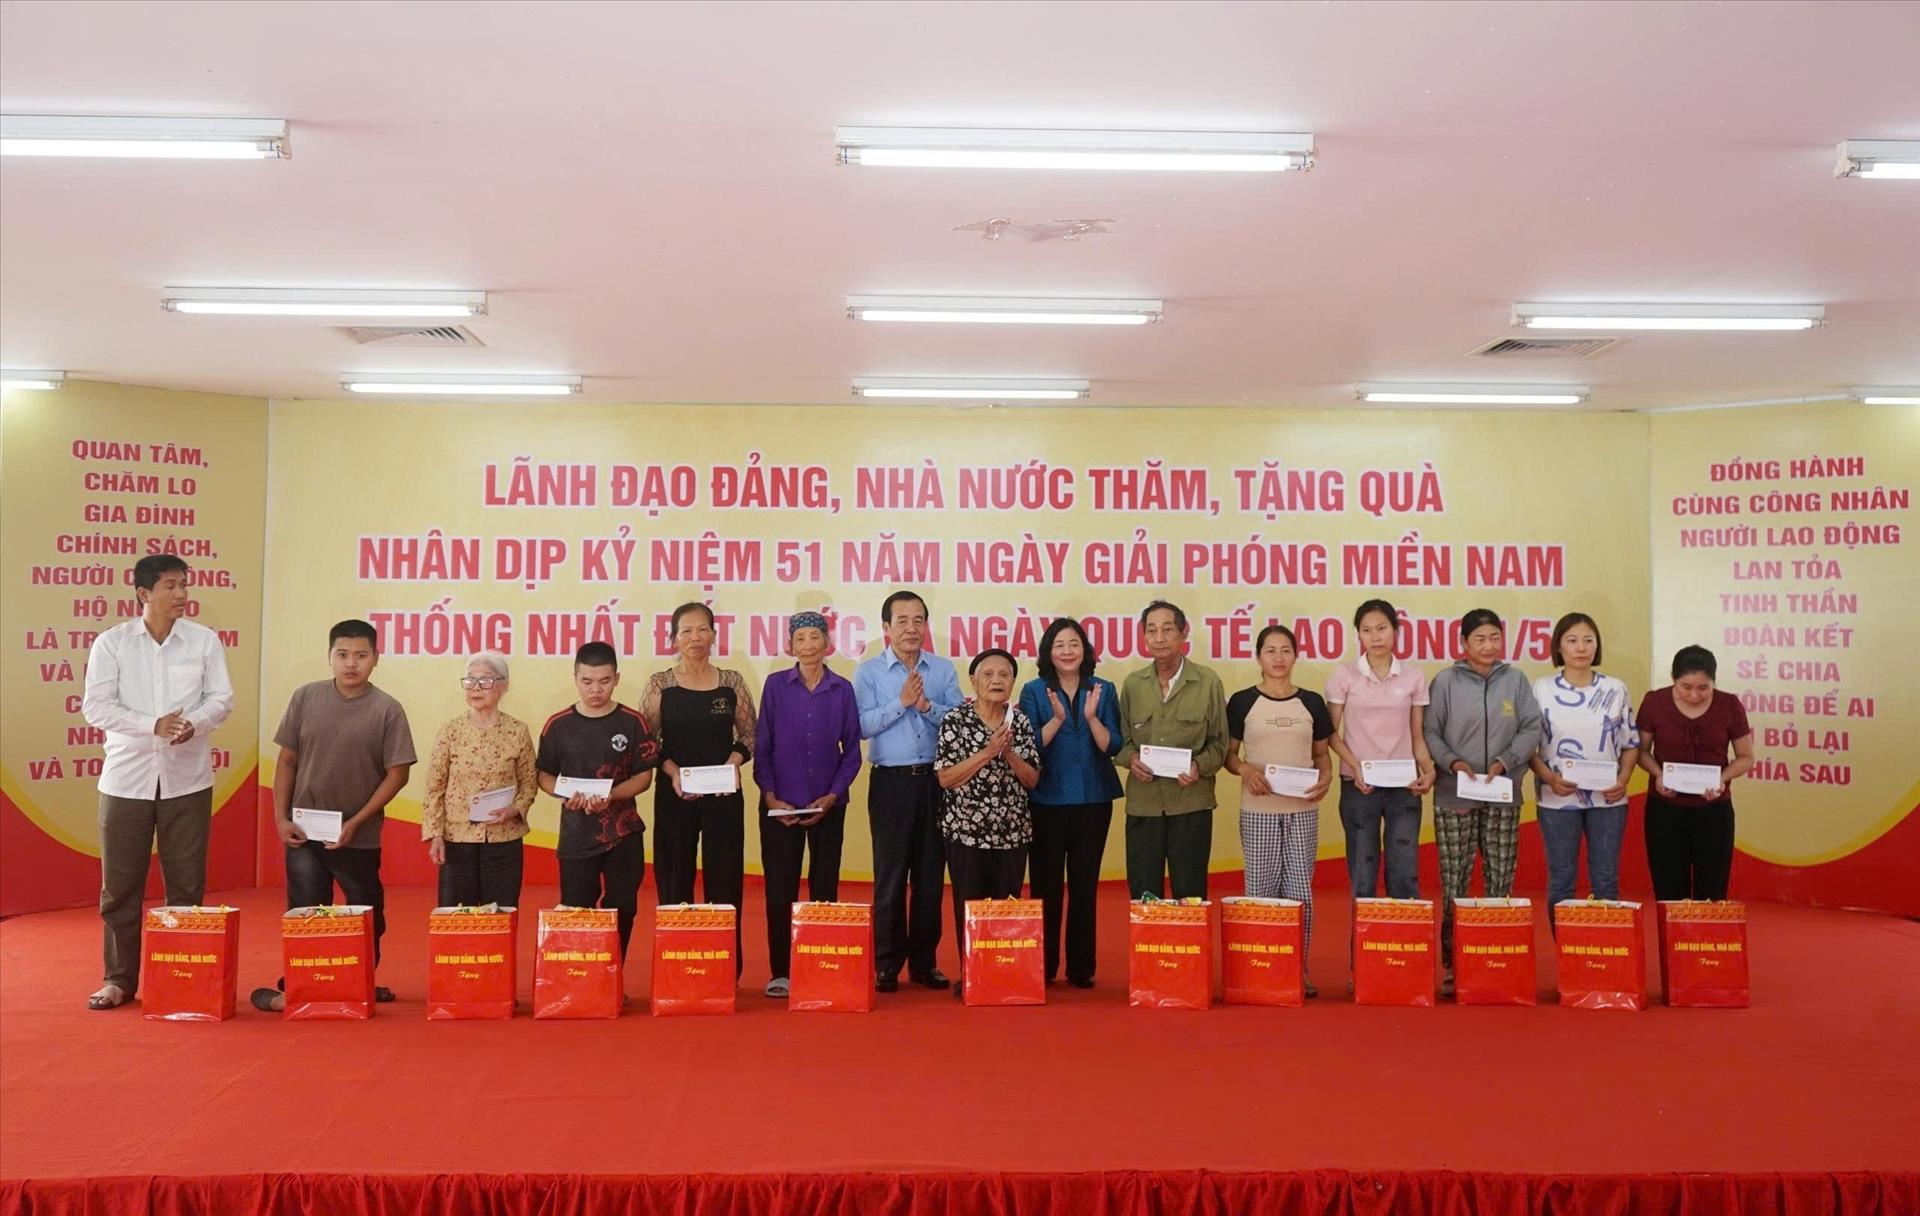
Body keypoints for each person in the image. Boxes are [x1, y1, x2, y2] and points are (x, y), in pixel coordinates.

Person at [81, 554, 236, 1011]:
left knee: (186, 886)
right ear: (144, 593)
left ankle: (183, 978)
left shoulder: (203, 641)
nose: (181, 594)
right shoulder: (112, 644)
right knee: (120, 887)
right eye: (170, 586)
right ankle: (118, 980)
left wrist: (195, 724)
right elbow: (96, 707)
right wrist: (153, 725)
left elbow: (221, 699)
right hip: (125, 781)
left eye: (184, 584)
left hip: (187, 780)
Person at [252, 619, 416, 1012]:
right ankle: (305, 983)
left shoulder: (387, 709)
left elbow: (398, 774)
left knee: (367, 911)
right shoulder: (305, 698)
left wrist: (356, 822)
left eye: (361, 655)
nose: (351, 663)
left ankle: (359, 982)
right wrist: (280, 818)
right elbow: (287, 760)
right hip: (304, 830)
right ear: (329, 657)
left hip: (358, 834)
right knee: (307, 910)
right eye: (342, 654)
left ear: (376, 658)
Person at [1423, 608, 1541, 997]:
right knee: (1454, 881)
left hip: (1502, 792)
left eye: (1494, 638)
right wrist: (1453, 763)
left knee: (1500, 879)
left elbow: (1531, 726)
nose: (1488, 646)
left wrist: (1505, 761)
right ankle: (1454, 965)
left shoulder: (1516, 680)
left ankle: (1494, 961)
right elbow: (1430, 731)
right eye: (1479, 639)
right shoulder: (1445, 681)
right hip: (1454, 793)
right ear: (1463, 643)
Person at [853, 589, 963, 992]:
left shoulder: (943, 670)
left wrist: (927, 708)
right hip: (891, 783)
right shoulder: (868, 673)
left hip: (936, 782)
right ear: (886, 627)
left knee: (931, 877)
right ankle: (886, 964)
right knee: (891, 876)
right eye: (902, 621)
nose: (911, 628)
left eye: (918, 620)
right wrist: (901, 702)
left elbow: (959, 721)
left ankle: (923, 962)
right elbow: (861, 726)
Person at [640, 602, 757, 977]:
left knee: (725, 879)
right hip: (675, 793)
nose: (695, 637)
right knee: (675, 878)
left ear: (714, 635)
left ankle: (723, 969)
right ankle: (677, 967)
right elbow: (646, 741)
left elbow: (751, 734)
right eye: (686, 631)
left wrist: (732, 764)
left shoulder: (731, 682)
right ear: (674, 638)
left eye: (702, 629)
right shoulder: (661, 684)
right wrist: (673, 772)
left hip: (723, 795)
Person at [753, 610, 861, 998]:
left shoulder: (842, 689)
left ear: (827, 644)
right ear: (790, 646)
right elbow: (762, 745)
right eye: (800, 639)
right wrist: (770, 796)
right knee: (780, 889)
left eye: (815, 637)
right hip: (780, 804)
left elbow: (852, 751)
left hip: (827, 804)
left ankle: (820, 964)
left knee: (824, 886)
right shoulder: (775, 686)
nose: (808, 645)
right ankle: (782, 971)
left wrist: (832, 796)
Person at [1224, 624, 1334, 997]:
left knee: (1300, 891)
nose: (1278, 658)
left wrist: (1326, 778)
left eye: (1285, 650)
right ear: (1259, 657)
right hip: (1259, 810)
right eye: (1270, 650)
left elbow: (1322, 755)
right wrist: (1247, 772)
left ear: (1295, 655)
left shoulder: (1312, 703)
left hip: (1302, 810)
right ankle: (1260, 968)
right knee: (1261, 890)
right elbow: (1229, 756)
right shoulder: (1242, 702)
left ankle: (1297, 970)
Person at [1017, 617, 1122, 988]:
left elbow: (1112, 745)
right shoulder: (1033, 691)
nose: (1067, 651)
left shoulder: (1104, 689)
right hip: (1046, 800)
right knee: (1045, 886)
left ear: (1085, 650)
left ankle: (1081, 967)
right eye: (1059, 645)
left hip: (1093, 800)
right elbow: (1028, 745)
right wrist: (1058, 720)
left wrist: (1091, 718)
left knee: (1084, 885)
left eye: (1074, 644)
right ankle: (1043, 966)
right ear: (1048, 652)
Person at [536, 641, 657, 960]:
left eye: (604, 681)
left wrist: (612, 795)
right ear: (575, 678)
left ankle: (613, 970)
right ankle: (583, 977)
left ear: (616, 678)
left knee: (624, 908)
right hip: (576, 835)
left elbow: (644, 777)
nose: (595, 690)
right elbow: (543, 774)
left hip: (623, 833)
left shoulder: (633, 722)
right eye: (587, 681)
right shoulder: (558, 725)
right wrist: (564, 793)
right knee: (577, 911)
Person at [936, 649, 1042, 999]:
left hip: (1012, 832)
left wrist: (1008, 753)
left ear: (1013, 682)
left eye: (1004, 674)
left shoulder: (1020, 722)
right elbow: (946, 778)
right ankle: (972, 974)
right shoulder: (955, 721)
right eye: (988, 674)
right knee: (969, 906)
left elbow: (1032, 780)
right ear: (974, 681)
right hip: (966, 831)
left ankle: (1002, 973)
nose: (996, 680)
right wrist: (986, 752)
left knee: (1005, 906)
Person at [1528, 614, 1639, 929]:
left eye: (1588, 640)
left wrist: (1623, 780)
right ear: (1558, 647)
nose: (1581, 648)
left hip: (1608, 799)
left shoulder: (1615, 689)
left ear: (1597, 645)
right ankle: (1567, 949)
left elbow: (1631, 743)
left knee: (1605, 878)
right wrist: (1549, 778)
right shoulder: (1541, 689)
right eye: (1572, 640)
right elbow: (1527, 748)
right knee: (1562, 878)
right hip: (1556, 799)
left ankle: (1605, 947)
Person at [1325, 599, 1435, 914]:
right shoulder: (1344, 675)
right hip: (1359, 785)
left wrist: (1428, 770)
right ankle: (1366, 945)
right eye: (1367, 630)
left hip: (1404, 786)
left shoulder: (1413, 677)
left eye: (1382, 628)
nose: (1375, 637)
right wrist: (1355, 767)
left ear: (1395, 631)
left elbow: (1417, 735)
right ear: (1359, 634)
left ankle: (1405, 942)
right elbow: (1331, 733)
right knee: (1363, 875)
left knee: (1404, 872)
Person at [1113, 600, 1227, 901]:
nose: (1159, 638)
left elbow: (1219, 744)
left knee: (1190, 896)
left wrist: (1198, 766)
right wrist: (1131, 759)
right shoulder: (1134, 685)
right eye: (1151, 630)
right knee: (1144, 896)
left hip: (1191, 804)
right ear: (1144, 637)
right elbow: (1121, 742)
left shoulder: (1207, 682)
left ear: (1183, 633)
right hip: (1144, 805)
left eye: (1167, 629)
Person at [1635, 646, 1755, 901]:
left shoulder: (1729, 705)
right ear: (1673, 679)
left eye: (1703, 688)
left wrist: (1722, 779)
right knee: (1668, 890)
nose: (1694, 695)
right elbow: (1641, 752)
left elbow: (1746, 757)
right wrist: (1658, 774)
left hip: (1714, 810)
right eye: (1686, 687)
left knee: (1712, 892)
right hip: (1665, 809)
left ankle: (1706, 930)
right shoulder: (1654, 702)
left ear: (1714, 682)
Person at [419, 652, 537, 909]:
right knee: (458, 916)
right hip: (457, 839)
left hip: (504, 839)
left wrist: (515, 809)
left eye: (485, 680)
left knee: (501, 915)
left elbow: (529, 783)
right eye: (470, 680)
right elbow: (434, 787)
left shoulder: (517, 730)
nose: (475, 687)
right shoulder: (451, 730)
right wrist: (435, 834)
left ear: (503, 686)